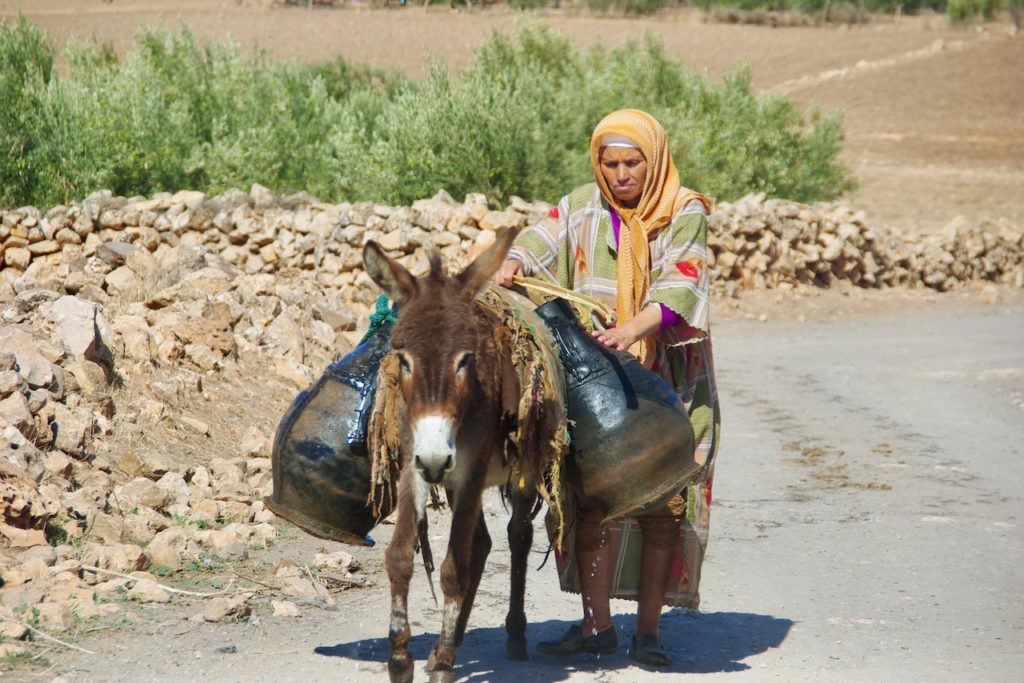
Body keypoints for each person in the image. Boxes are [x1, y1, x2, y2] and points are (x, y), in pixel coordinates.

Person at [495, 109, 720, 667]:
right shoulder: (580, 206)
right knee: (588, 494)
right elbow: (539, 239)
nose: (620, 174)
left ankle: (648, 633)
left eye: (632, 163)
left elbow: (682, 281)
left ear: (655, 160)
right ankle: (597, 627)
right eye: (610, 163)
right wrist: (514, 260)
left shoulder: (684, 210)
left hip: (667, 374)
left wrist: (632, 329)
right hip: (593, 375)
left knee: (663, 500)